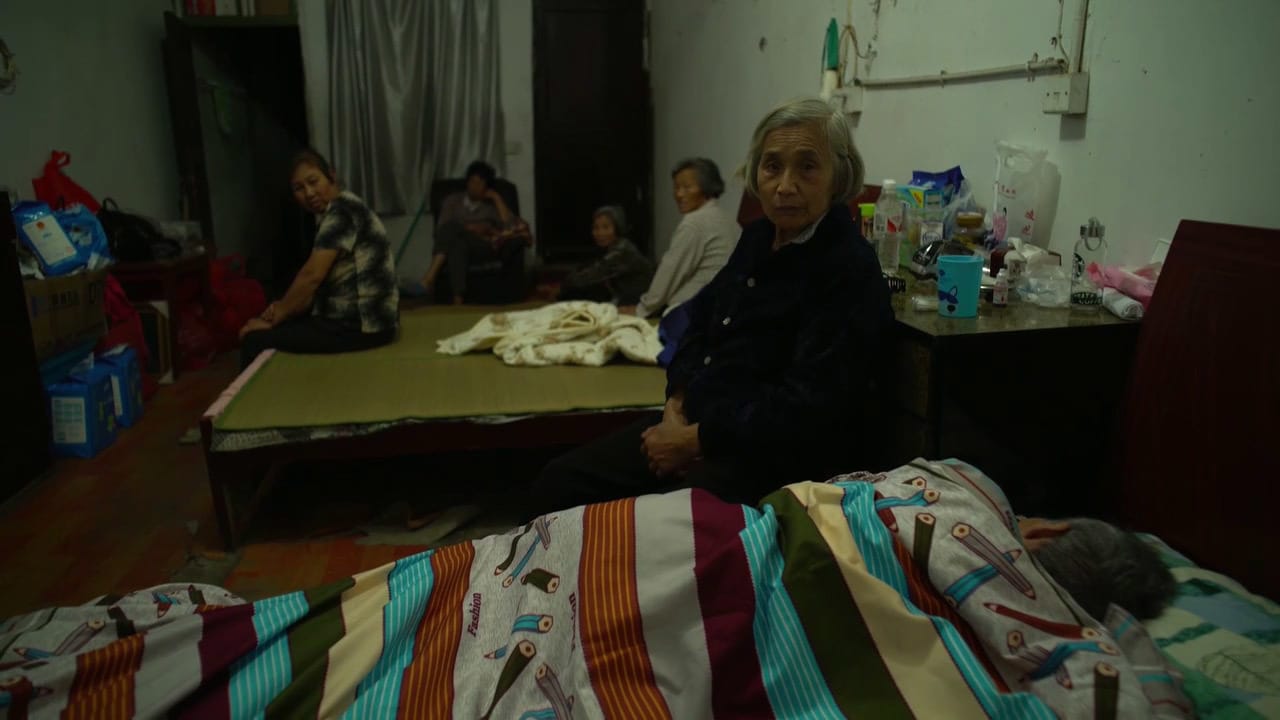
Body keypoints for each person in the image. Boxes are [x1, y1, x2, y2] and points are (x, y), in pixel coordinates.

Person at [535, 98, 894, 512]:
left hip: (770, 458)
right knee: (559, 482)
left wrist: (695, 441)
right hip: (695, 422)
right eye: (772, 166)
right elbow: (700, 320)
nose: (785, 186)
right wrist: (675, 407)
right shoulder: (758, 237)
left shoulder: (847, 266)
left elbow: (809, 406)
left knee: (652, 525)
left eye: (807, 167)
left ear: (838, 177)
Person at [239, 150, 398, 369]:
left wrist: (275, 318)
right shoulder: (344, 206)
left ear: (331, 175)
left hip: (363, 324)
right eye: (299, 188)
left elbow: (312, 276)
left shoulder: (341, 213)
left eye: (313, 182)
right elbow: (312, 287)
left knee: (253, 340)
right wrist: (280, 310)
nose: (309, 193)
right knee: (285, 318)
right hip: (375, 321)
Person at [621, 158, 740, 318]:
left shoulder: (695, 222)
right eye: (676, 187)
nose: (679, 194)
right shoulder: (727, 219)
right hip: (728, 309)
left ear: (706, 187)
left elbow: (670, 272)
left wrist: (641, 310)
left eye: (687, 187)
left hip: (696, 312)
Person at [420, 160, 530, 304]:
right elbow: (441, 229)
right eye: (472, 181)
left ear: (486, 187)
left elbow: (510, 227)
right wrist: (470, 227)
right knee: (457, 244)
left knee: (453, 229)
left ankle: (429, 279)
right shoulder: (452, 201)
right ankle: (458, 299)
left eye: (480, 183)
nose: (474, 187)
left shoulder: (490, 207)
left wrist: (496, 199)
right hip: (457, 241)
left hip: (483, 246)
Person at [557, 205, 654, 305]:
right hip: (624, 295)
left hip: (641, 301)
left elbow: (593, 274)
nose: (600, 233)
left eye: (606, 227)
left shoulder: (622, 250)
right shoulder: (612, 246)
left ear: (617, 228)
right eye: (596, 228)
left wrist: (560, 286)